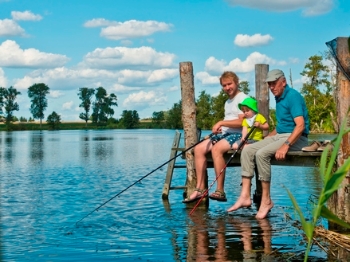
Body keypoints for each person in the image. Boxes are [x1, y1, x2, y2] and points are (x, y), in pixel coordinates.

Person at [227, 69, 309, 219]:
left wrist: (286, 145)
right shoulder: (279, 98)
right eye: (269, 84)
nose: (271, 87)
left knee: (261, 154)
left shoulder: (293, 96)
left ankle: (266, 201)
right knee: (248, 150)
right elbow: (281, 126)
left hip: (298, 138)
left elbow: (300, 126)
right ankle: (245, 196)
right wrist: (267, 140)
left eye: (274, 83)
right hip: (281, 135)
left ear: (283, 82)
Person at [182, 71, 248, 203]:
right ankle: (200, 189)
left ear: (236, 82)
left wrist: (221, 122)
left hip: (239, 134)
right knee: (198, 149)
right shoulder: (228, 102)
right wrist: (220, 128)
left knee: (216, 149)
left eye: (229, 84)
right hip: (225, 134)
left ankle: (220, 191)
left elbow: (243, 122)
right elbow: (229, 120)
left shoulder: (243, 99)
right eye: (224, 85)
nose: (227, 88)